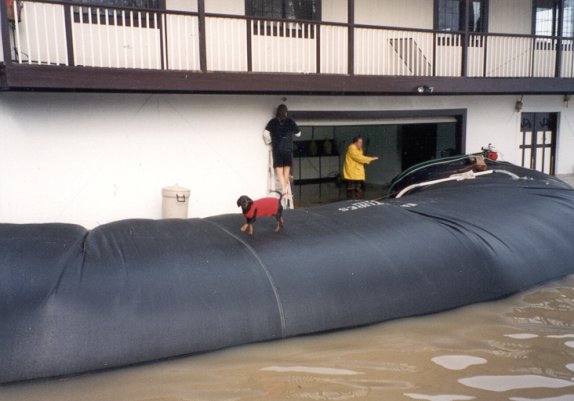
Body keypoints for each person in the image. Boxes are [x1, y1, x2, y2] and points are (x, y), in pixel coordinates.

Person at [263, 104, 301, 195]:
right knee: (286, 169)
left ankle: (283, 188)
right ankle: (285, 188)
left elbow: (265, 133)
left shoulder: (272, 122)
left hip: (277, 148)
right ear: (286, 113)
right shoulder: (290, 121)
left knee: (279, 170)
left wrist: (269, 142)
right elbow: (298, 133)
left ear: (277, 112)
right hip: (288, 148)